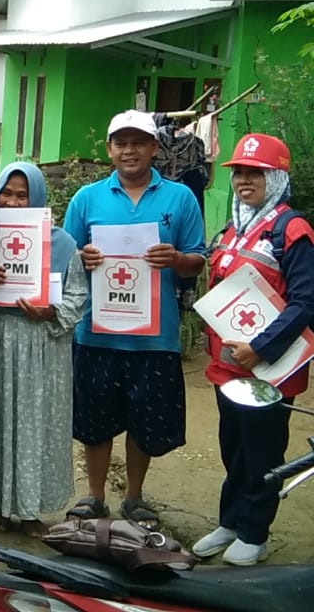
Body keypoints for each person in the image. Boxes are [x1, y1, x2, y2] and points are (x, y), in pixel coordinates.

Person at [62, 109, 206, 532]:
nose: (130, 150)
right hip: (96, 330)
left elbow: (197, 260)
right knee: (95, 419)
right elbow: (66, 259)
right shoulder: (86, 199)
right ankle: (94, 495)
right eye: (121, 143)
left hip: (154, 334)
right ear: (109, 150)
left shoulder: (180, 198)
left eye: (138, 142)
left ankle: (134, 497)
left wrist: (177, 259)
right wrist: (82, 258)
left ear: (154, 148)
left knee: (145, 418)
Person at [190, 134, 314, 566]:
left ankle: (255, 531)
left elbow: (306, 300)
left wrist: (261, 347)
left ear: (278, 177)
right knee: (234, 446)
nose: (245, 180)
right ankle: (230, 521)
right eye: (239, 173)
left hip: (270, 369)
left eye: (256, 173)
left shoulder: (292, 230)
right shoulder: (234, 228)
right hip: (228, 367)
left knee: (263, 450)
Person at [0, 162, 88, 538]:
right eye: (8, 194)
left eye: (23, 195)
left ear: (38, 198)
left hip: (42, 346)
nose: (14, 203)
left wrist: (52, 311)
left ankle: (32, 510)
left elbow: (78, 297)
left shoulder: (64, 244)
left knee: (38, 423)